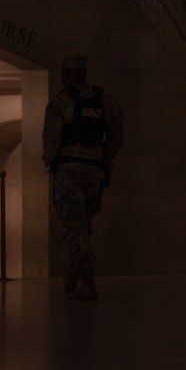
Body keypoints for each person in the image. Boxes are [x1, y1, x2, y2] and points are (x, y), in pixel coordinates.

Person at [42, 55, 124, 300]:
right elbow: (117, 136)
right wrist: (102, 158)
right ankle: (72, 271)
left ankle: (87, 280)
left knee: (75, 228)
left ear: (65, 74)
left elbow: (51, 138)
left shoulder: (61, 101)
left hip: (69, 170)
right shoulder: (105, 101)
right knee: (82, 227)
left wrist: (52, 161)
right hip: (95, 172)